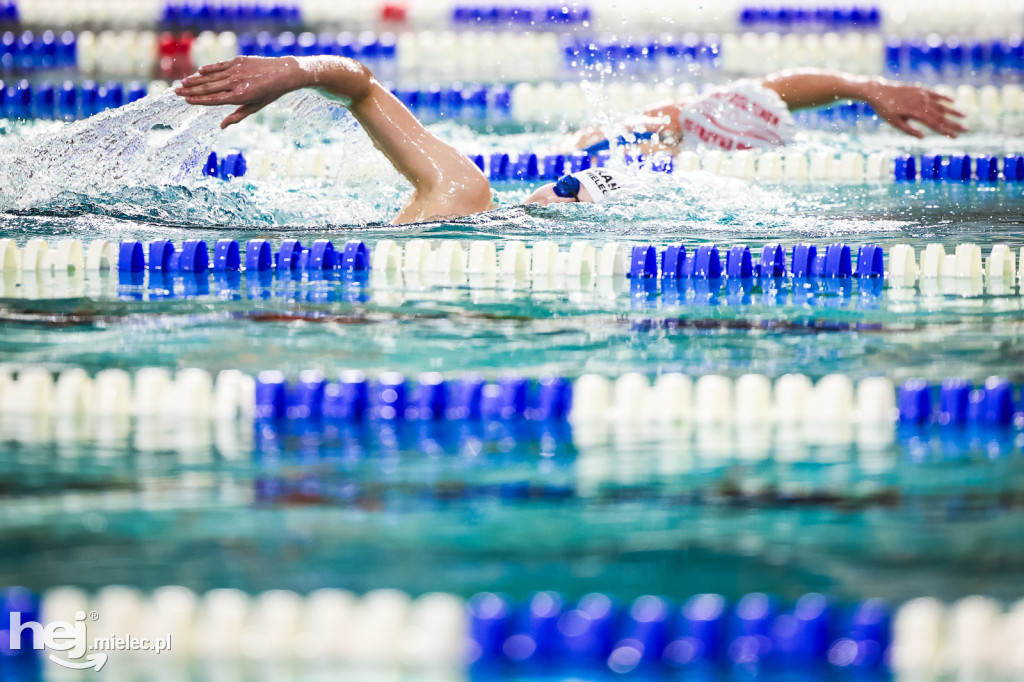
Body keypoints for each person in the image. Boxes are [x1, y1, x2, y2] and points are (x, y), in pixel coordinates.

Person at [176, 57, 966, 224]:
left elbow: (689, 115)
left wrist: (863, 89)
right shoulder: (465, 200)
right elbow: (361, 86)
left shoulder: (464, 198)